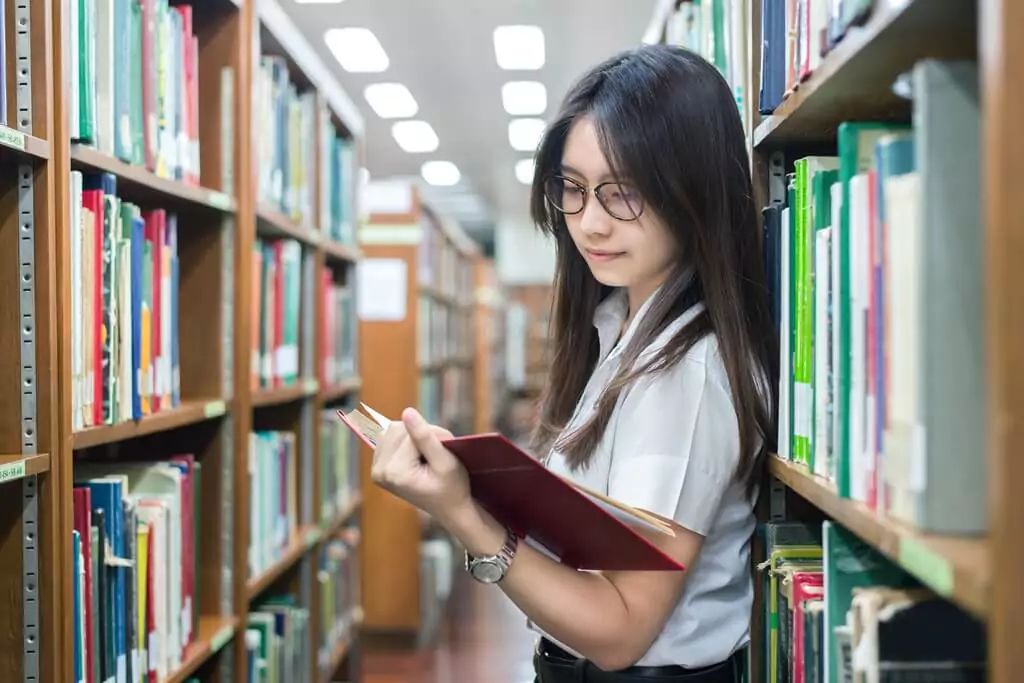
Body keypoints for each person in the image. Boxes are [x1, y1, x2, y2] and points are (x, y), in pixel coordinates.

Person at [369, 43, 777, 683]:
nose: (590, 223)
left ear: (695, 191)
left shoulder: (684, 372)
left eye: (625, 193)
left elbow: (619, 632)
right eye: (574, 189)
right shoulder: (619, 329)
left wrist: (462, 514)